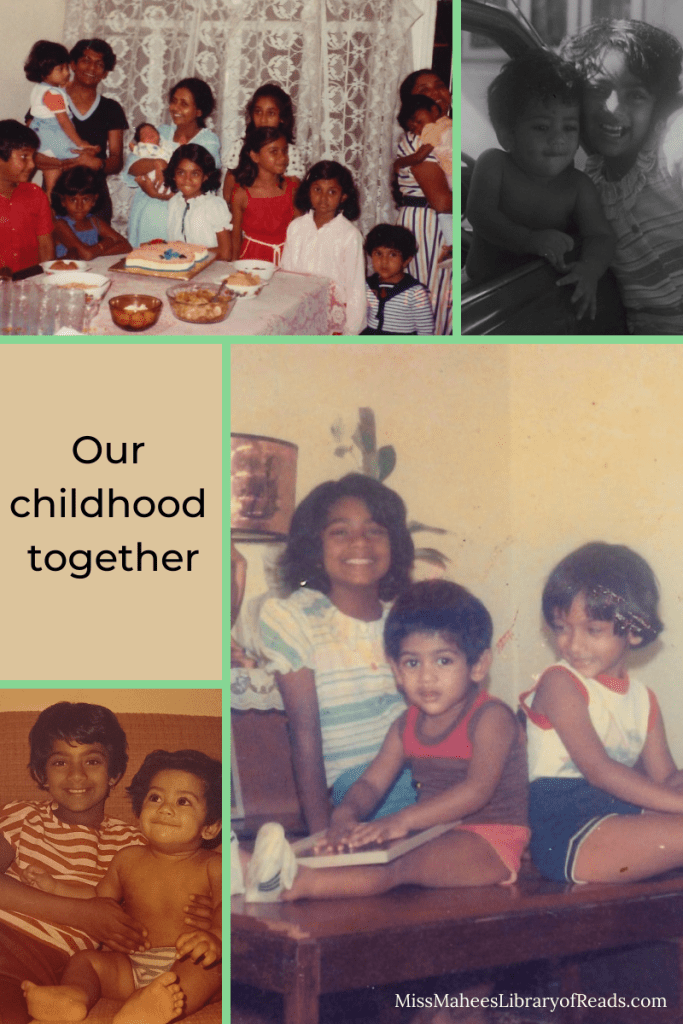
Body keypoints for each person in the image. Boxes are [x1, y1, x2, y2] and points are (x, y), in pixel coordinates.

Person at [245, 579, 529, 902]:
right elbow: (371, 784)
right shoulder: (405, 726)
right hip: (435, 832)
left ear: (478, 665)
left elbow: (476, 791)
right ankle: (251, 870)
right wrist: (345, 813)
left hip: (490, 843)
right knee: (364, 847)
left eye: (444, 661)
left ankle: (294, 885)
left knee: (397, 863)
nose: (426, 676)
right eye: (412, 662)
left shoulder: (492, 718)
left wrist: (401, 821)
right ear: (395, 670)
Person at [0, 702, 212, 1024]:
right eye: (60, 761)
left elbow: (170, 882)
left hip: (45, 966)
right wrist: (82, 913)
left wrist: (209, 912)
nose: (76, 775)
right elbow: (96, 910)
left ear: (114, 773)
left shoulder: (137, 843)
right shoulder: (22, 816)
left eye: (93, 760)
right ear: (42, 774)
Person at [259, 473, 418, 836]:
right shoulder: (294, 618)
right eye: (340, 532)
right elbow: (305, 735)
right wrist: (321, 835)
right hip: (355, 792)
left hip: (424, 778)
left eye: (375, 530)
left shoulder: (408, 616)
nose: (360, 543)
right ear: (314, 548)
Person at [520, 542, 683, 884]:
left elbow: (665, 778)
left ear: (635, 630)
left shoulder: (643, 700)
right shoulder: (560, 683)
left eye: (593, 630)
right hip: (565, 829)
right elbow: (600, 771)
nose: (573, 644)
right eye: (562, 627)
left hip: (618, 816)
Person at [465, 50, 614, 321]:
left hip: (540, 301)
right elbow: (480, 214)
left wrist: (590, 270)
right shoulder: (495, 164)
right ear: (507, 135)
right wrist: (528, 240)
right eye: (542, 128)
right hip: (482, 296)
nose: (558, 139)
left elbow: (600, 236)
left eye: (569, 128)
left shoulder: (578, 186)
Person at [561, 21, 683, 334]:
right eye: (598, 90)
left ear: (659, 103)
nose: (613, 108)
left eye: (636, 95)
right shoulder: (588, 188)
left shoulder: (672, 148)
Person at [32, 39, 128, 224]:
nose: (91, 67)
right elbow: (29, 152)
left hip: (95, 202)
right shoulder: (49, 98)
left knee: (97, 250)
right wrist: (60, 162)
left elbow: (116, 161)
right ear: (73, 65)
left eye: (99, 64)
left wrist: (96, 163)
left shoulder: (111, 108)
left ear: (105, 72)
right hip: (55, 199)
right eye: (85, 60)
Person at [122, 78, 220, 247]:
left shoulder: (207, 141)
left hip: (178, 217)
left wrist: (159, 194)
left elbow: (201, 183)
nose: (175, 108)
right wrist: (157, 163)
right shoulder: (159, 132)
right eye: (174, 101)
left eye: (184, 104)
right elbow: (132, 166)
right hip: (145, 213)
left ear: (198, 111)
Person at [395, 69, 452, 335]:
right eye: (423, 90)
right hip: (427, 226)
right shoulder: (419, 137)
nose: (434, 94)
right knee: (434, 305)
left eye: (439, 85)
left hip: (439, 224)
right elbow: (441, 202)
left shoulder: (449, 130)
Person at [280, 160, 366, 334]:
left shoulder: (349, 235)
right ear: (308, 191)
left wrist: (349, 331)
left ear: (343, 196)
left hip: (331, 319)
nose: (324, 198)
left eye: (332, 192)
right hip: (299, 312)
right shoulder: (296, 227)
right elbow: (286, 275)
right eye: (317, 189)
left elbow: (356, 289)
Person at [23, 41, 98, 199]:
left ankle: (49, 212)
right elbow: (64, 122)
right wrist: (79, 142)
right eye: (61, 69)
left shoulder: (41, 89)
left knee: (52, 185)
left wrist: (61, 85)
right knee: (86, 159)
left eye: (66, 68)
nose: (67, 73)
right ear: (44, 72)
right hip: (52, 134)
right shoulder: (54, 95)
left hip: (41, 137)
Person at [222, 83, 305, 206]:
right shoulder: (240, 147)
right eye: (258, 112)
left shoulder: (290, 152)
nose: (263, 119)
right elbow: (228, 195)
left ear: (282, 118)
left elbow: (294, 198)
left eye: (270, 113)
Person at [230, 126, 300, 264]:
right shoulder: (241, 194)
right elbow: (236, 237)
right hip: (251, 260)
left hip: (286, 258)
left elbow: (300, 230)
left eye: (284, 151)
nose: (282, 157)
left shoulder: (292, 188)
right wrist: (233, 266)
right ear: (255, 156)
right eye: (274, 152)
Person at [395, 95, 452, 249]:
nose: (418, 129)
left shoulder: (433, 130)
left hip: (451, 175)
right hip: (426, 221)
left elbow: (420, 156)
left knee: (446, 216)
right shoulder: (445, 126)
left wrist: (399, 162)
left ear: (433, 110)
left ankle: (452, 245)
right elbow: (442, 203)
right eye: (413, 128)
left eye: (418, 122)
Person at [0, 120, 54, 276]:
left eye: (33, 156)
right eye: (24, 156)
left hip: (31, 286)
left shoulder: (35, 194)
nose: (32, 164)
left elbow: (45, 247)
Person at [361, 223, 434, 335]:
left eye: (393, 255)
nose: (384, 261)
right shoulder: (368, 285)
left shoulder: (415, 292)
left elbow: (426, 331)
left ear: (406, 260)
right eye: (378, 253)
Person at [162, 144, 231, 259]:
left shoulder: (214, 205)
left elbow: (226, 253)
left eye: (195, 174)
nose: (187, 179)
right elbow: (174, 244)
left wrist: (188, 252)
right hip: (180, 268)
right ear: (173, 175)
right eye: (181, 172)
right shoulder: (174, 202)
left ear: (205, 176)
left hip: (209, 269)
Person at [51, 166, 131, 260]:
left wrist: (94, 252)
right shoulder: (60, 224)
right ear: (63, 201)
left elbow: (126, 246)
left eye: (85, 199)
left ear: (94, 200)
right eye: (73, 200)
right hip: (66, 272)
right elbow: (87, 255)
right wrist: (105, 243)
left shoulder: (95, 222)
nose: (79, 206)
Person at [128, 123, 175, 194]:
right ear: (140, 141)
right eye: (144, 134)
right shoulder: (144, 147)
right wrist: (133, 147)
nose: (149, 134)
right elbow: (136, 149)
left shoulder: (165, 145)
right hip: (153, 172)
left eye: (152, 130)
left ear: (158, 135)